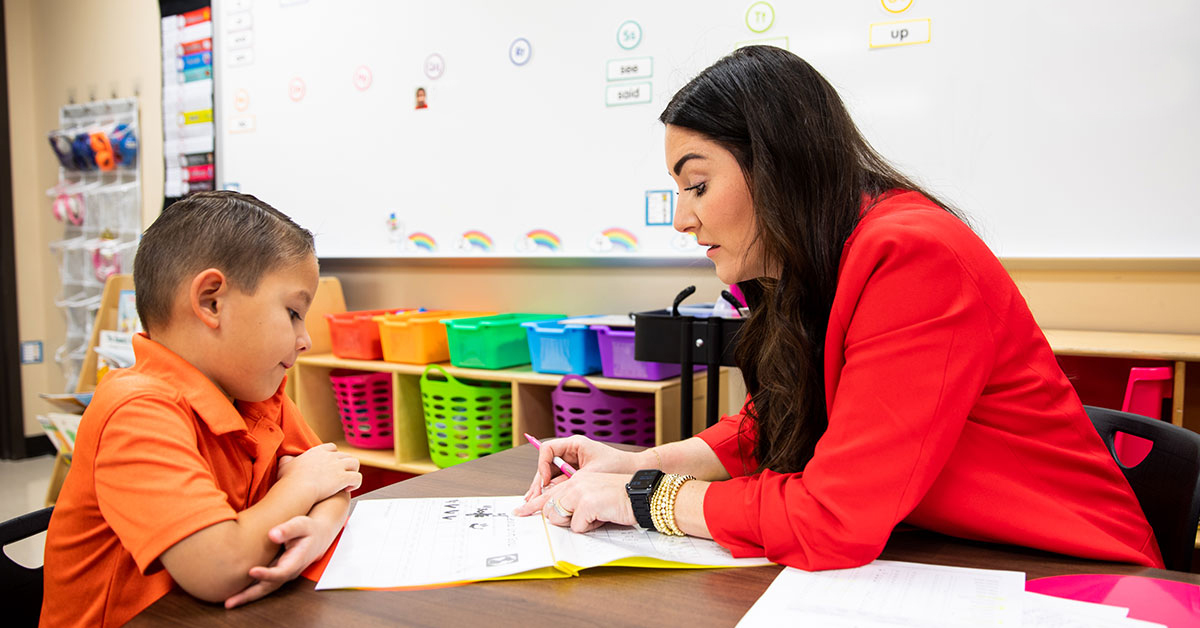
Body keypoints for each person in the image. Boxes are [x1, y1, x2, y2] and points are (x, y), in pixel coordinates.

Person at [515, 46, 1162, 570]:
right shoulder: (815, 264)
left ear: (776, 167)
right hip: (949, 558)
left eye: (698, 184)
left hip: (1077, 576)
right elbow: (779, 423)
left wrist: (643, 498)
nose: (683, 217)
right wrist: (640, 463)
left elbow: (830, 521)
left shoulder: (911, 256)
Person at [41, 191, 363, 627]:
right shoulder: (136, 411)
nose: (304, 339)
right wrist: (300, 488)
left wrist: (321, 526)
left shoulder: (257, 391)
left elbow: (333, 476)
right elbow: (219, 568)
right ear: (211, 301)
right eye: (292, 313)